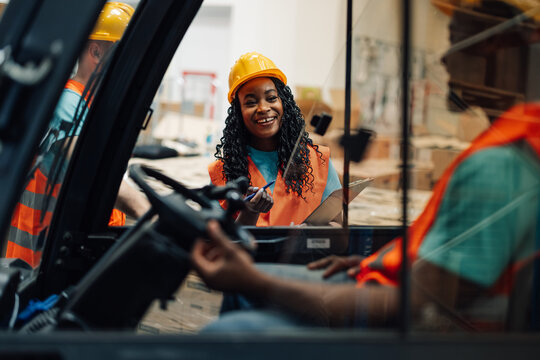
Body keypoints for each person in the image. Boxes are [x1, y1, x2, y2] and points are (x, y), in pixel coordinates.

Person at [192, 0, 540, 332]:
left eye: (456, 40)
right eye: (250, 101)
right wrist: (375, 262)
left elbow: (421, 300)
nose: (444, 59)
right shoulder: (509, 146)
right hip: (379, 278)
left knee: (233, 325)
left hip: (399, 306)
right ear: (237, 112)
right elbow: (440, 268)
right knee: (245, 299)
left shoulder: (498, 164)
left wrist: (256, 279)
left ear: (497, 46)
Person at [5, 2, 150, 268]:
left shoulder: (92, 105)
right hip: (38, 263)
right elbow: (92, 169)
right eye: (124, 59)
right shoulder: (67, 102)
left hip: (70, 249)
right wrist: (147, 211)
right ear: (95, 51)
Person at [208, 52, 342, 226]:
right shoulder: (221, 172)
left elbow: (341, 232)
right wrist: (249, 212)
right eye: (250, 102)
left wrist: (307, 234)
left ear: (283, 102)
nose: (263, 108)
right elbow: (219, 241)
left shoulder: (319, 161)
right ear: (238, 113)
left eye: (271, 98)